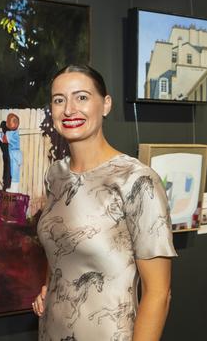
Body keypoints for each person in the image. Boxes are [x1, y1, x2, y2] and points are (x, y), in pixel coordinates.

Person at [32, 64, 176, 340]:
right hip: (52, 330)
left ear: (106, 104)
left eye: (82, 97)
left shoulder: (136, 180)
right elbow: (61, 244)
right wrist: (49, 285)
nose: (69, 109)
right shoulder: (55, 175)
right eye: (59, 100)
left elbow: (159, 293)